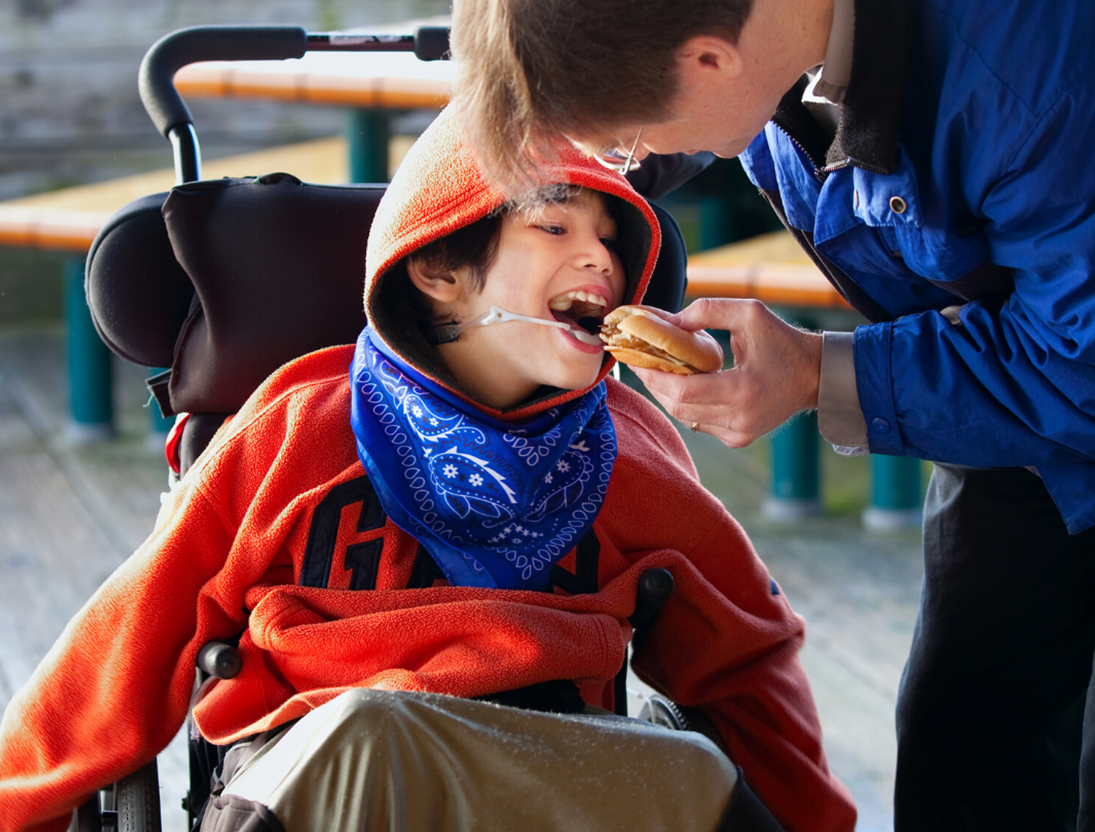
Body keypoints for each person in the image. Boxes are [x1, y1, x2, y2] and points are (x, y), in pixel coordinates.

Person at [0, 104, 855, 832]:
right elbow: (132, 631)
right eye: (554, 224)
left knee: (691, 778)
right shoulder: (301, 427)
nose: (602, 260)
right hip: (328, 772)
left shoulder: (627, 447)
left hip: (544, 765)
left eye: (613, 241)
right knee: (376, 732)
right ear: (440, 268)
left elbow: (745, 651)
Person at [449, 0, 1095, 828]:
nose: (631, 161)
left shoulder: (1028, 81)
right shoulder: (761, 38)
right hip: (1012, 426)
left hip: (1058, 366)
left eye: (630, 139)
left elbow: (1078, 363)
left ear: (712, 63)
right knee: (963, 749)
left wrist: (819, 374)